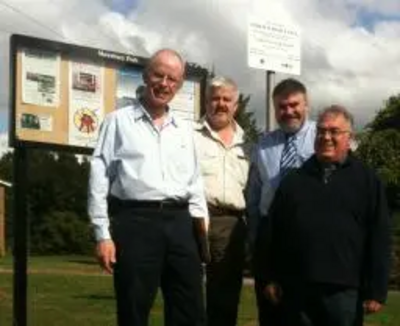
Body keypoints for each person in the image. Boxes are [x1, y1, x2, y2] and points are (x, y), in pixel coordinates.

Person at [88, 49, 208, 326]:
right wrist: (102, 235)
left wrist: (201, 234)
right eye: (159, 75)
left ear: (179, 85)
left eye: (173, 79)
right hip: (135, 222)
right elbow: (99, 178)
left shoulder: (184, 130)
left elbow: (195, 182)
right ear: (145, 75)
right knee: (133, 310)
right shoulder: (117, 122)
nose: (164, 84)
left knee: (190, 311)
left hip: (181, 224)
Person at [255, 105, 391, 326]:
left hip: (344, 292)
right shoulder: (294, 181)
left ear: (349, 138)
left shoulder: (367, 181)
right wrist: (270, 277)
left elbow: (379, 236)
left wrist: (376, 290)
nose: (326, 137)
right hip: (297, 289)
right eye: (321, 131)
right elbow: (274, 232)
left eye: (334, 131)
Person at [246, 78, 316, 325]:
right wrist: (255, 240)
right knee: (270, 312)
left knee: (306, 313)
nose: (288, 111)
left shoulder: (323, 138)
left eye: (294, 105)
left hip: (309, 235)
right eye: (281, 107)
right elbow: (254, 196)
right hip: (270, 236)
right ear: (274, 109)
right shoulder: (264, 144)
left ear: (306, 105)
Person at [194, 76, 250, 326]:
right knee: (187, 293)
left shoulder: (249, 145)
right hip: (194, 220)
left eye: (227, 99)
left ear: (235, 105)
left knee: (225, 299)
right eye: (215, 98)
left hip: (232, 225)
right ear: (206, 102)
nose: (221, 104)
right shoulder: (189, 135)